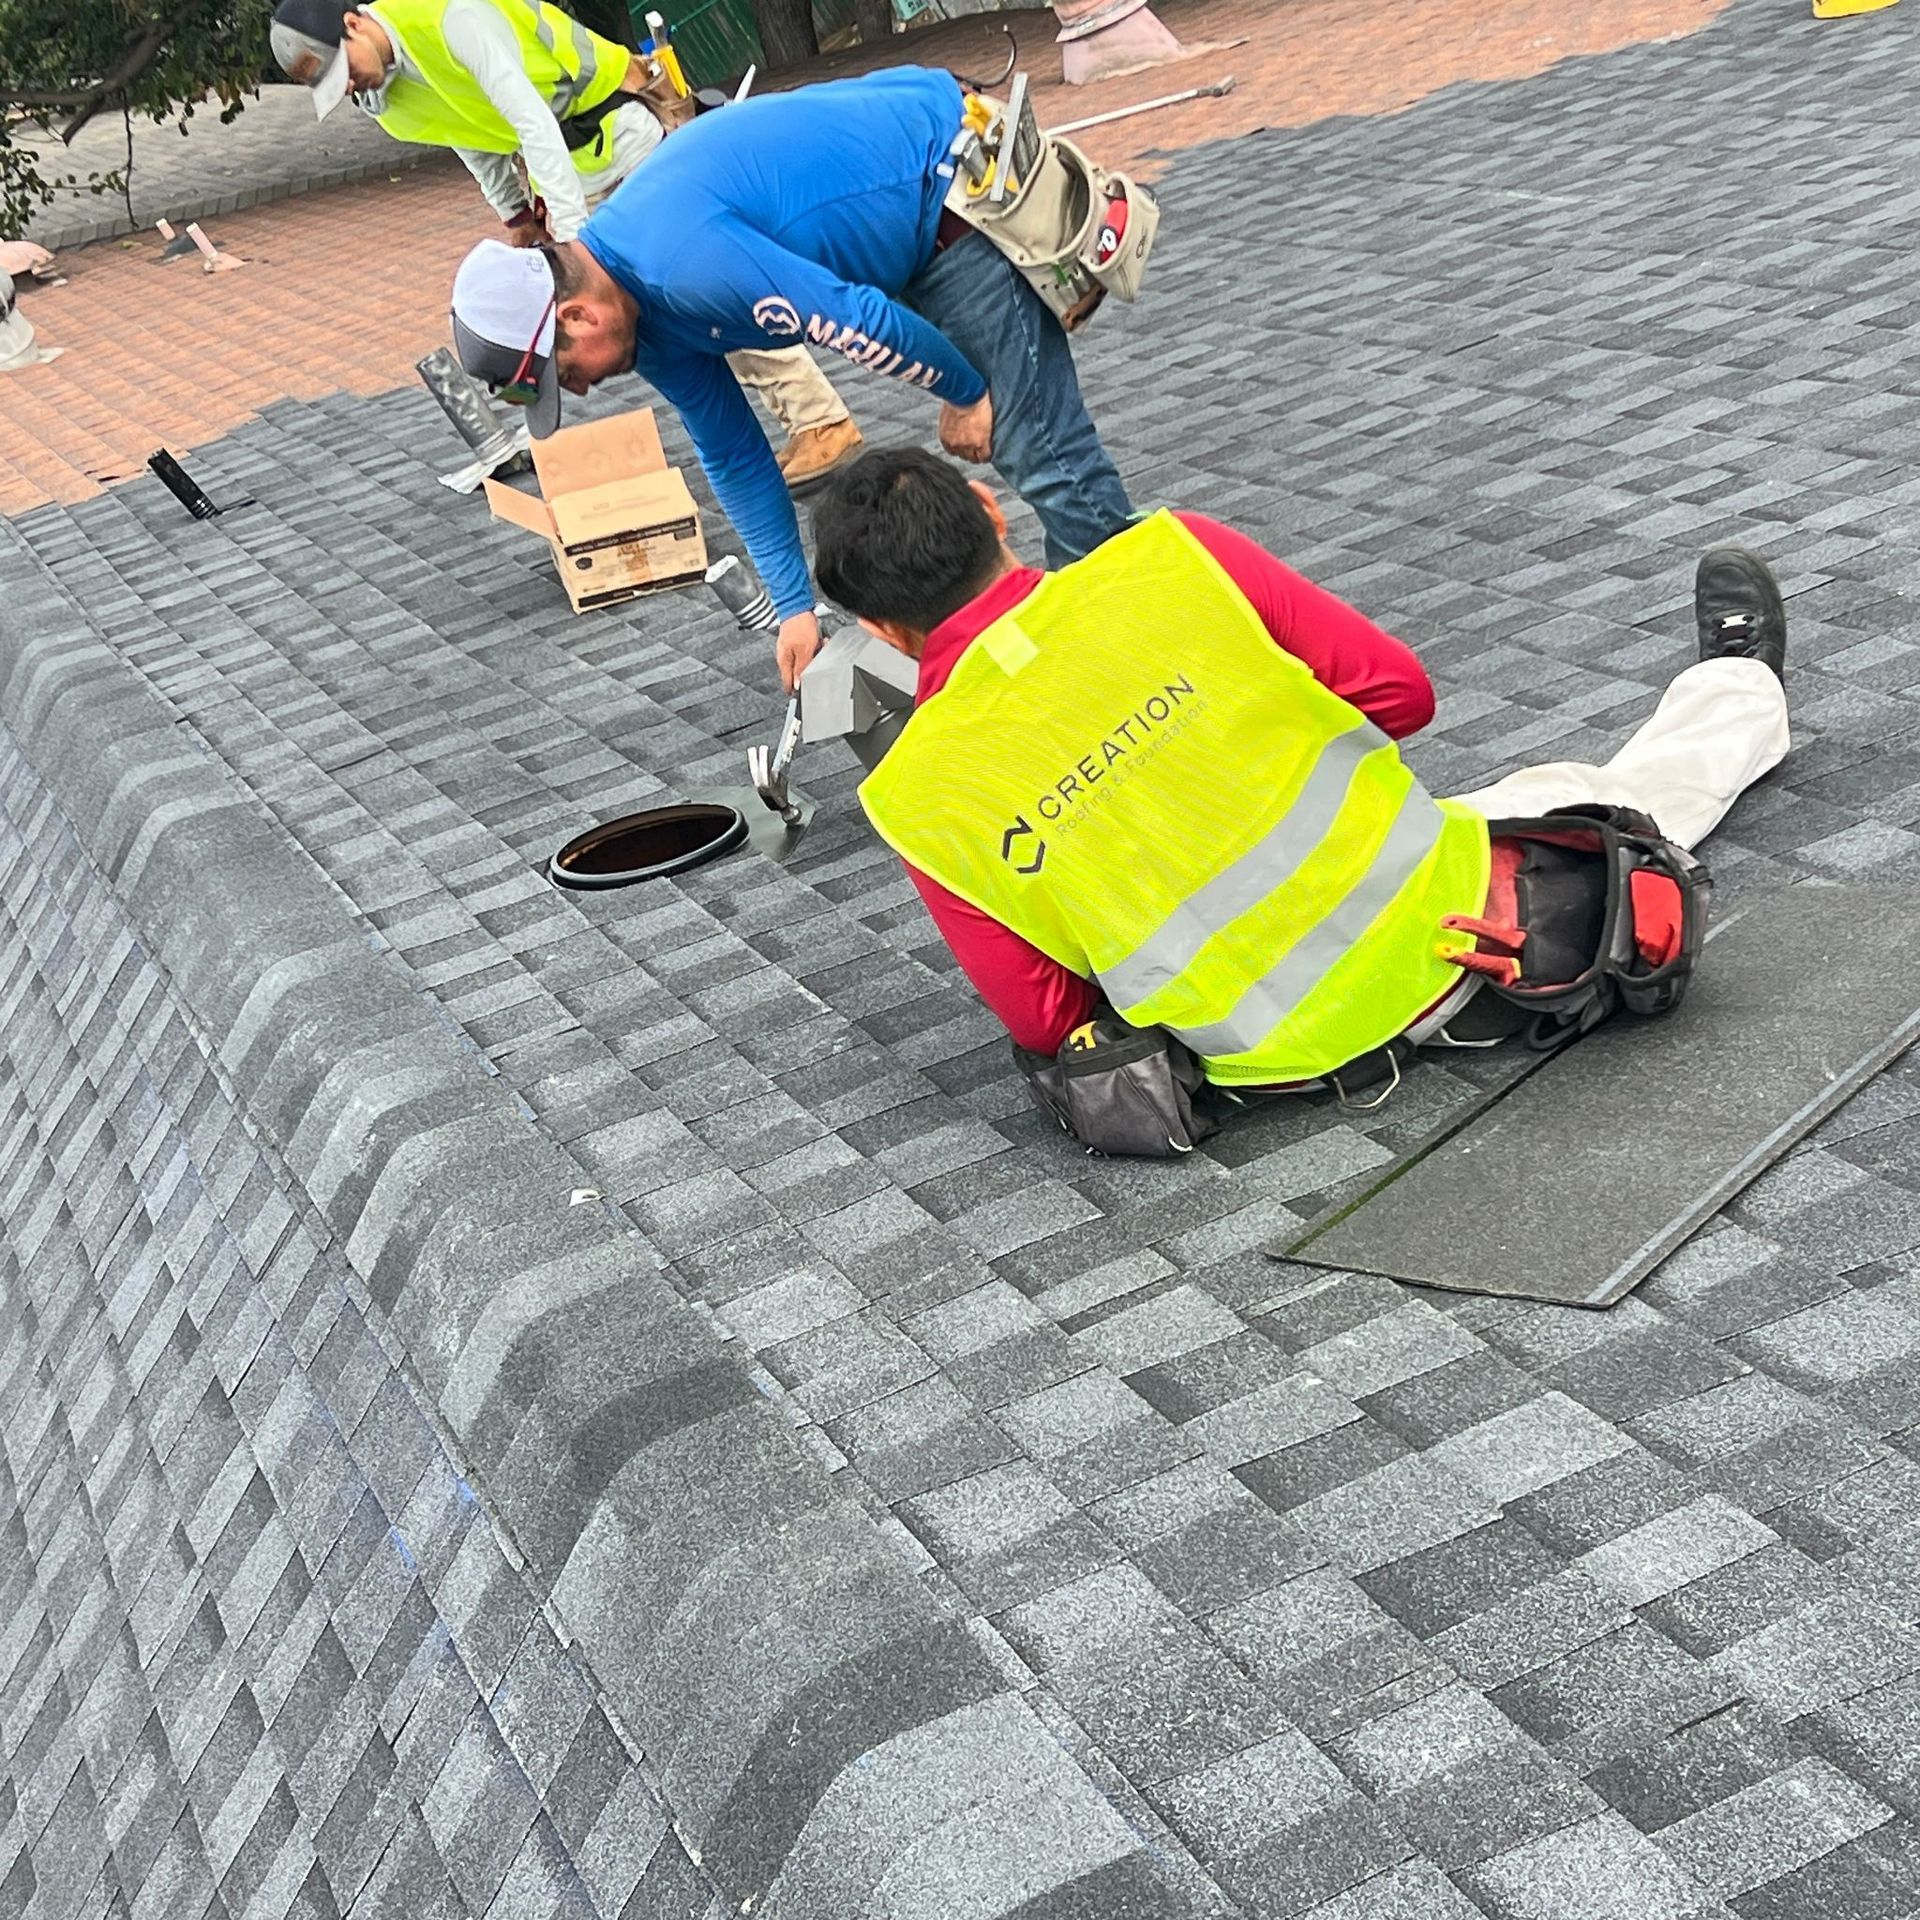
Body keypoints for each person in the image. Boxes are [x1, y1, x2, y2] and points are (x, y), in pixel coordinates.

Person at [812, 448, 1791, 1104]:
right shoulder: (1172, 559)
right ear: (992, 511)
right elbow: (1403, 697)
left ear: (882, 632)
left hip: (1267, 1063)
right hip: (1469, 936)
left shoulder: (912, 794)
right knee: (1583, 791)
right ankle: (1738, 680)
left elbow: (1044, 1016)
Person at [445, 66, 1136, 691]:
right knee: (1021, 435)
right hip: (899, 204)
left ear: (577, 316)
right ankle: (1101, 642)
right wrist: (793, 608)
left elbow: (855, 321)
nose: (585, 390)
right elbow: (734, 452)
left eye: (568, 374)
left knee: (1034, 446)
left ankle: (1132, 642)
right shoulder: (640, 323)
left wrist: (967, 394)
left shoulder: (681, 262)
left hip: (946, 174)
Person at [267, 0, 863, 491]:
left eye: (347, 72)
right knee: (661, 318)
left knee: (691, 287)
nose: (352, 90)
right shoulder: (388, 98)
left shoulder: (451, 18)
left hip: (618, 129)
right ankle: (778, 436)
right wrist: (518, 216)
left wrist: (574, 246)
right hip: (578, 169)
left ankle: (822, 422)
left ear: (354, 22)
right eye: (337, 88)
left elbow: (531, 122)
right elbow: (471, 139)